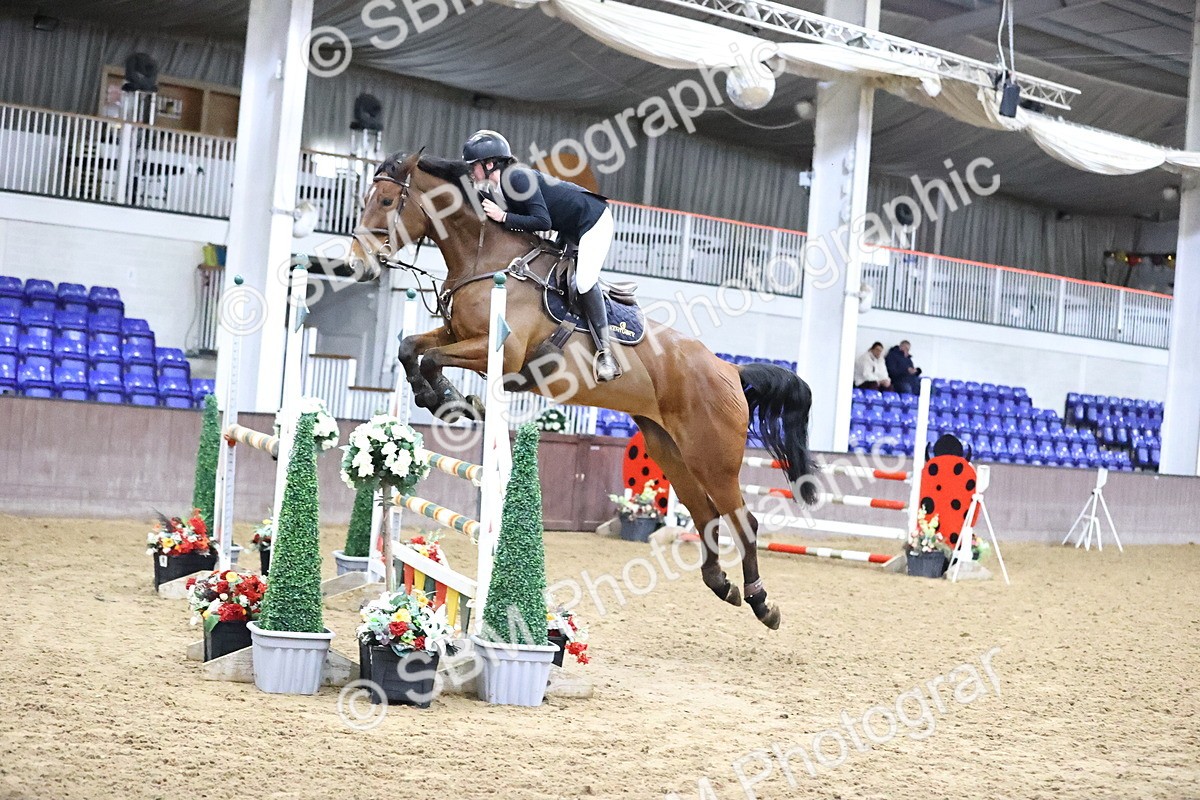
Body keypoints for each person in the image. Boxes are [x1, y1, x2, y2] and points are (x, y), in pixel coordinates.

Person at [462, 130, 619, 382]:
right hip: (569, 227)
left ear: (489, 164)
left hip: (593, 221)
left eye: (474, 166)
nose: (471, 170)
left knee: (584, 281)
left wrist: (503, 217)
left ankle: (605, 353)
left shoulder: (517, 179)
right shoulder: (498, 187)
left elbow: (541, 220)